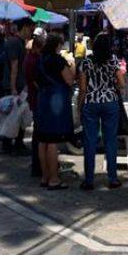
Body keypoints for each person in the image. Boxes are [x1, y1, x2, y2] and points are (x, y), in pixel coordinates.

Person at [78, 32, 125, 191]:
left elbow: (83, 88)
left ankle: (89, 180)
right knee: (110, 141)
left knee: (89, 141)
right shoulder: (113, 60)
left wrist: (79, 107)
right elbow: (122, 82)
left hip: (91, 103)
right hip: (110, 102)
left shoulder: (86, 62)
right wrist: (111, 89)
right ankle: (112, 178)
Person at [34, 33, 75, 190]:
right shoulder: (58, 60)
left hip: (43, 99)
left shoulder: (40, 60)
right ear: (58, 45)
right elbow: (70, 80)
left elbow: (36, 80)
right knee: (52, 140)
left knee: (42, 139)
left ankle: (45, 176)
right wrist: (71, 65)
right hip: (56, 102)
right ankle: (54, 179)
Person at [2, 18, 35, 154]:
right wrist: (13, 87)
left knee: (20, 116)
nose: (31, 32)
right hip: (16, 86)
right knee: (12, 117)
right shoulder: (14, 42)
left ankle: (17, 144)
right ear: (25, 27)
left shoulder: (21, 42)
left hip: (21, 84)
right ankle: (10, 145)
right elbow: (14, 66)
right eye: (31, 29)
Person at [24, 28, 46, 177]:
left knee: (38, 133)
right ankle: (38, 166)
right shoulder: (33, 61)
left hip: (34, 97)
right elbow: (36, 81)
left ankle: (38, 165)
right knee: (40, 134)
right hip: (37, 98)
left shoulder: (30, 59)